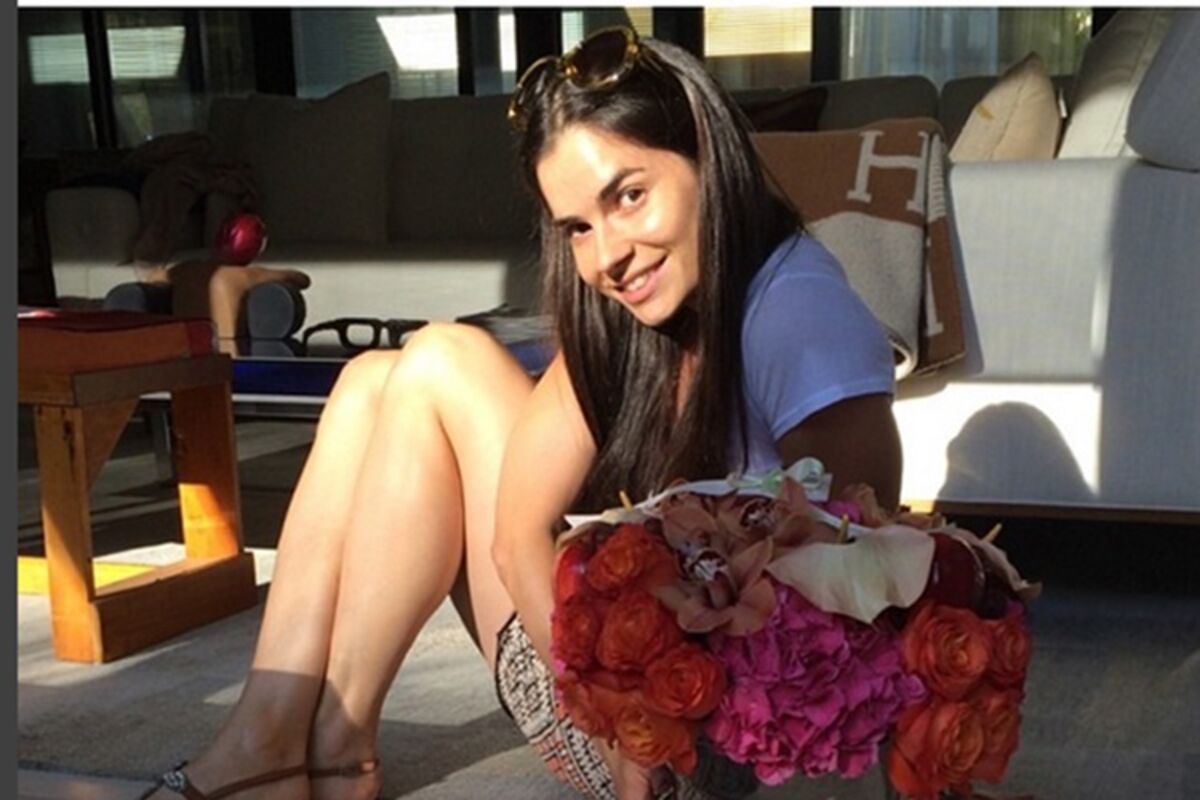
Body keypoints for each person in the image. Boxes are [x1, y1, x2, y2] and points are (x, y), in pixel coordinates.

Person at [141, 27, 901, 800]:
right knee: (372, 380)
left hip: (717, 754)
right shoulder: (632, 311)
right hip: (625, 714)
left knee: (441, 359)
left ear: (707, 154)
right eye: (578, 228)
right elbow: (516, 535)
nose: (607, 256)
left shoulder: (796, 308)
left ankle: (307, 751)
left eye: (629, 196)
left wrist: (631, 734)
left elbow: (855, 607)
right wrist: (608, 714)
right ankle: (294, 740)